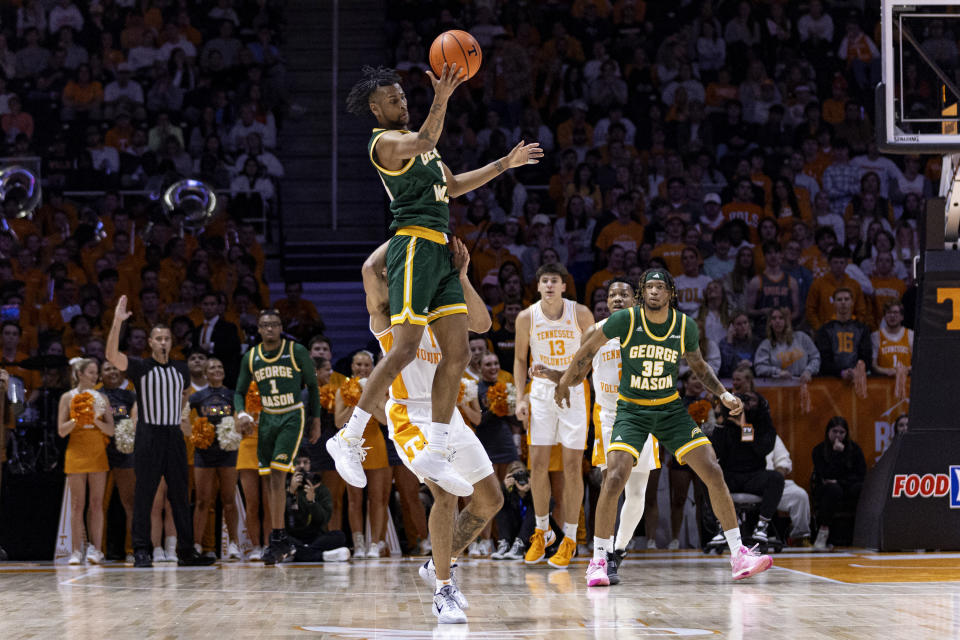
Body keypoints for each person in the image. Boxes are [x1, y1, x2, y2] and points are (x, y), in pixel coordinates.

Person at [332, 65, 542, 496]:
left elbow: (452, 185)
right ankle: (349, 437)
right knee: (406, 346)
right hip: (413, 245)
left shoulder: (424, 151)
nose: (403, 104)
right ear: (376, 109)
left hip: (441, 246)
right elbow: (425, 138)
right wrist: (443, 96)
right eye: (394, 100)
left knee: (459, 351)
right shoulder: (384, 143)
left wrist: (506, 163)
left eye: (404, 98)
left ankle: (438, 447)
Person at [554, 268, 772, 586]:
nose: (654, 292)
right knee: (613, 477)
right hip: (631, 410)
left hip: (669, 409)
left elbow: (698, 365)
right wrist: (563, 383)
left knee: (711, 468)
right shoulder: (622, 321)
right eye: (649, 287)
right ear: (642, 295)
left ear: (671, 292)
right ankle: (599, 559)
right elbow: (585, 353)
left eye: (660, 286)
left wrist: (723, 394)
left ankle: (738, 553)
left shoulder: (684, 326)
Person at [363, 237, 502, 624]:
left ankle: (438, 562)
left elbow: (484, 323)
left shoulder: (445, 312)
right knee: (445, 494)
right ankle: (443, 589)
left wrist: (460, 274)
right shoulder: (389, 313)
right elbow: (369, 270)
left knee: (490, 499)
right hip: (410, 416)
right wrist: (413, 225)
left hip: (447, 415)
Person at [106, 297, 214, 568]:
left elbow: (185, 396)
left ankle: (186, 551)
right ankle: (142, 549)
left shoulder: (181, 369)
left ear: (170, 342)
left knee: (180, 494)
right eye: (158, 338)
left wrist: (180, 418)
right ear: (150, 343)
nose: (163, 342)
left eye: (167, 338)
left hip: (173, 435)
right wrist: (118, 321)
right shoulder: (141, 367)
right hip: (148, 434)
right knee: (144, 493)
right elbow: (110, 356)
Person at [576, 277, 659, 582]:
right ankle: (600, 554)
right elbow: (578, 368)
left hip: (643, 414)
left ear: (635, 301)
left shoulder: (650, 332)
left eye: (624, 294)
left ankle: (617, 551)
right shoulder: (594, 332)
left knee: (637, 492)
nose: (617, 298)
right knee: (611, 482)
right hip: (609, 416)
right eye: (612, 294)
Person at [513, 262, 594, 569]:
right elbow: (520, 360)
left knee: (573, 468)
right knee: (538, 466)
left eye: (554, 281)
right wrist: (521, 397)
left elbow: (589, 356)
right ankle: (542, 530)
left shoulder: (581, 313)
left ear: (564, 286)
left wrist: (567, 377)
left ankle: (570, 538)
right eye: (544, 280)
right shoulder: (526, 317)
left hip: (573, 391)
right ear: (537, 287)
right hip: (541, 394)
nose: (549, 285)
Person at [235, 310, 322, 565]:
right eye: (265, 325)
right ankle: (279, 537)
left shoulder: (296, 351)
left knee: (277, 473)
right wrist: (240, 413)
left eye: (274, 324)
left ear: (281, 326)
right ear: (259, 330)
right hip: (267, 418)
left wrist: (315, 420)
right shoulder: (251, 357)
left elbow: (313, 387)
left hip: (292, 415)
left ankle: (277, 537)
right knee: (270, 480)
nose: (270, 329)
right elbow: (239, 391)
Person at [705, 390, 783, 546]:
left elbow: (761, 449)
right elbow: (715, 453)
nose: (745, 405)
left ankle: (762, 526)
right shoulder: (726, 424)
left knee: (776, 478)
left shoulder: (765, 425)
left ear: (760, 404)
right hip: (730, 476)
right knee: (707, 477)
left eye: (751, 401)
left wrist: (745, 427)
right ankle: (722, 527)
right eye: (742, 401)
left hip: (754, 476)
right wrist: (721, 423)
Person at [334, 350, 391, 559]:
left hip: (375, 444)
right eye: (358, 364)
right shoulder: (342, 390)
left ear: (373, 367)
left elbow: (385, 420)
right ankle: (358, 544)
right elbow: (339, 422)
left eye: (367, 365)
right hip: (351, 445)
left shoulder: (381, 389)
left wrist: (369, 397)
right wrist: (357, 402)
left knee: (377, 498)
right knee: (354, 498)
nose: (362, 369)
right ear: (352, 366)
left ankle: (374, 544)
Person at [58, 358, 114, 565]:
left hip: (98, 452)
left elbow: (111, 430)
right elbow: (61, 431)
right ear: (80, 374)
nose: (95, 376)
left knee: (97, 503)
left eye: (95, 372)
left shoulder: (102, 398)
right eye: (90, 372)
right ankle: (75, 550)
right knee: (77, 504)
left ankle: (96, 549)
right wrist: (77, 418)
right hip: (76, 453)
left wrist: (96, 419)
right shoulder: (67, 397)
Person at [185, 358, 242, 561]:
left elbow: (241, 419)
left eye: (220, 367)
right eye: (212, 368)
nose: (216, 370)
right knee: (202, 501)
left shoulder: (233, 395)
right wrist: (193, 435)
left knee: (228, 500)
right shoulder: (198, 396)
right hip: (204, 454)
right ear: (206, 374)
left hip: (228, 453)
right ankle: (197, 545)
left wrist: (237, 434)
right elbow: (183, 417)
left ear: (224, 372)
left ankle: (234, 544)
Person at [101, 360, 138, 563]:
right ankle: (99, 550)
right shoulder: (95, 396)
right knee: (99, 505)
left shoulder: (130, 396)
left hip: (125, 455)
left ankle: (131, 549)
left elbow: (136, 420)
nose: (112, 371)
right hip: (101, 455)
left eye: (115, 368)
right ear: (100, 375)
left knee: (130, 504)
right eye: (107, 369)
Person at [284, 452, 350, 562]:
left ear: (311, 465)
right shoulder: (285, 486)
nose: (301, 466)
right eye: (297, 463)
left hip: (316, 537)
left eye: (305, 462)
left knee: (339, 535)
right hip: (293, 536)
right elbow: (283, 520)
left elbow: (323, 520)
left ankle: (299, 553)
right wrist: (290, 493)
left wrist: (312, 502)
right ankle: (321, 556)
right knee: (274, 536)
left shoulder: (321, 489)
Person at [811, 416, 866, 549]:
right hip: (827, 489)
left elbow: (860, 474)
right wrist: (836, 455)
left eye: (841, 432)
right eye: (835, 431)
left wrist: (840, 481)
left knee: (860, 488)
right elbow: (825, 474)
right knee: (833, 489)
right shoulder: (819, 450)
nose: (838, 436)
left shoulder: (854, 449)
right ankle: (823, 533)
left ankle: (862, 532)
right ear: (828, 432)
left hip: (847, 485)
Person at [236, 379, 268, 561]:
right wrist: (244, 418)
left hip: (268, 449)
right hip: (248, 450)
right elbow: (235, 427)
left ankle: (269, 545)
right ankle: (256, 546)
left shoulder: (274, 396)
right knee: (252, 503)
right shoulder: (242, 399)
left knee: (270, 504)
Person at [815, 288, 872, 379]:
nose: (843, 302)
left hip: (857, 378)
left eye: (846, 299)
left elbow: (866, 357)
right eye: (839, 299)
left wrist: (856, 371)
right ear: (834, 303)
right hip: (831, 380)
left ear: (852, 302)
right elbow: (824, 359)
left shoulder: (862, 329)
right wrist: (840, 372)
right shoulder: (825, 329)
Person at [766, 435, 812, 545]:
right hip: (744, 483)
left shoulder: (770, 435)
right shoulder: (734, 433)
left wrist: (777, 478)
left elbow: (783, 459)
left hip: (772, 481)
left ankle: (799, 537)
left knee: (799, 495)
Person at [753, 308, 820, 381]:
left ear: (787, 321)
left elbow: (815, 357)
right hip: (778, 384)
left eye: (781, 318)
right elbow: (759, 367)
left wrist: (809, 371)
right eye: (774, 318)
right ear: (770, 322)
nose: (777, 321)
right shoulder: (765, 345)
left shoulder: (802, 337)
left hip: (803, 382)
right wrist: (777, 372)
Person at [871, 301, 912, 376]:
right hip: (883, 383)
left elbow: (918, 364)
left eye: (895, 312)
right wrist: (886, 371)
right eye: (889, 312)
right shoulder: (876, 336)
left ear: (902, 317)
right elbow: (873, 365)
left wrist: (905, 370)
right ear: (884, 316)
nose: (892, 315)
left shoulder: (911, 334)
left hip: (906, 383)